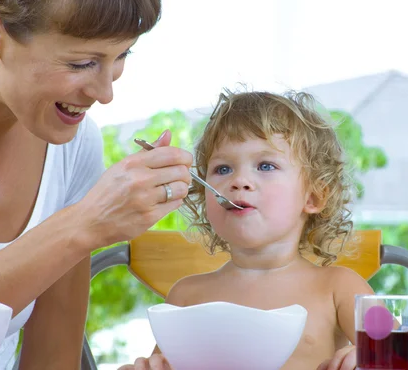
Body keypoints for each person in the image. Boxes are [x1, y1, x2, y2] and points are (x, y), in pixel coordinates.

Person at [0, 0, 193, 369]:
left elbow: (52, 359)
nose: (105, 93)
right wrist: (83, 225)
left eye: (121, 55)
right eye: (81, 63)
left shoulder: (74, 147)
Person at [132, 89, 375, 370]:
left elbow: (402, 356)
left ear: (313, 197)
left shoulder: (340, 288)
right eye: (223, 169)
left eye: (265, 165)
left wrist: (370, 360)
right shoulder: (185, 296)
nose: (240, 181)